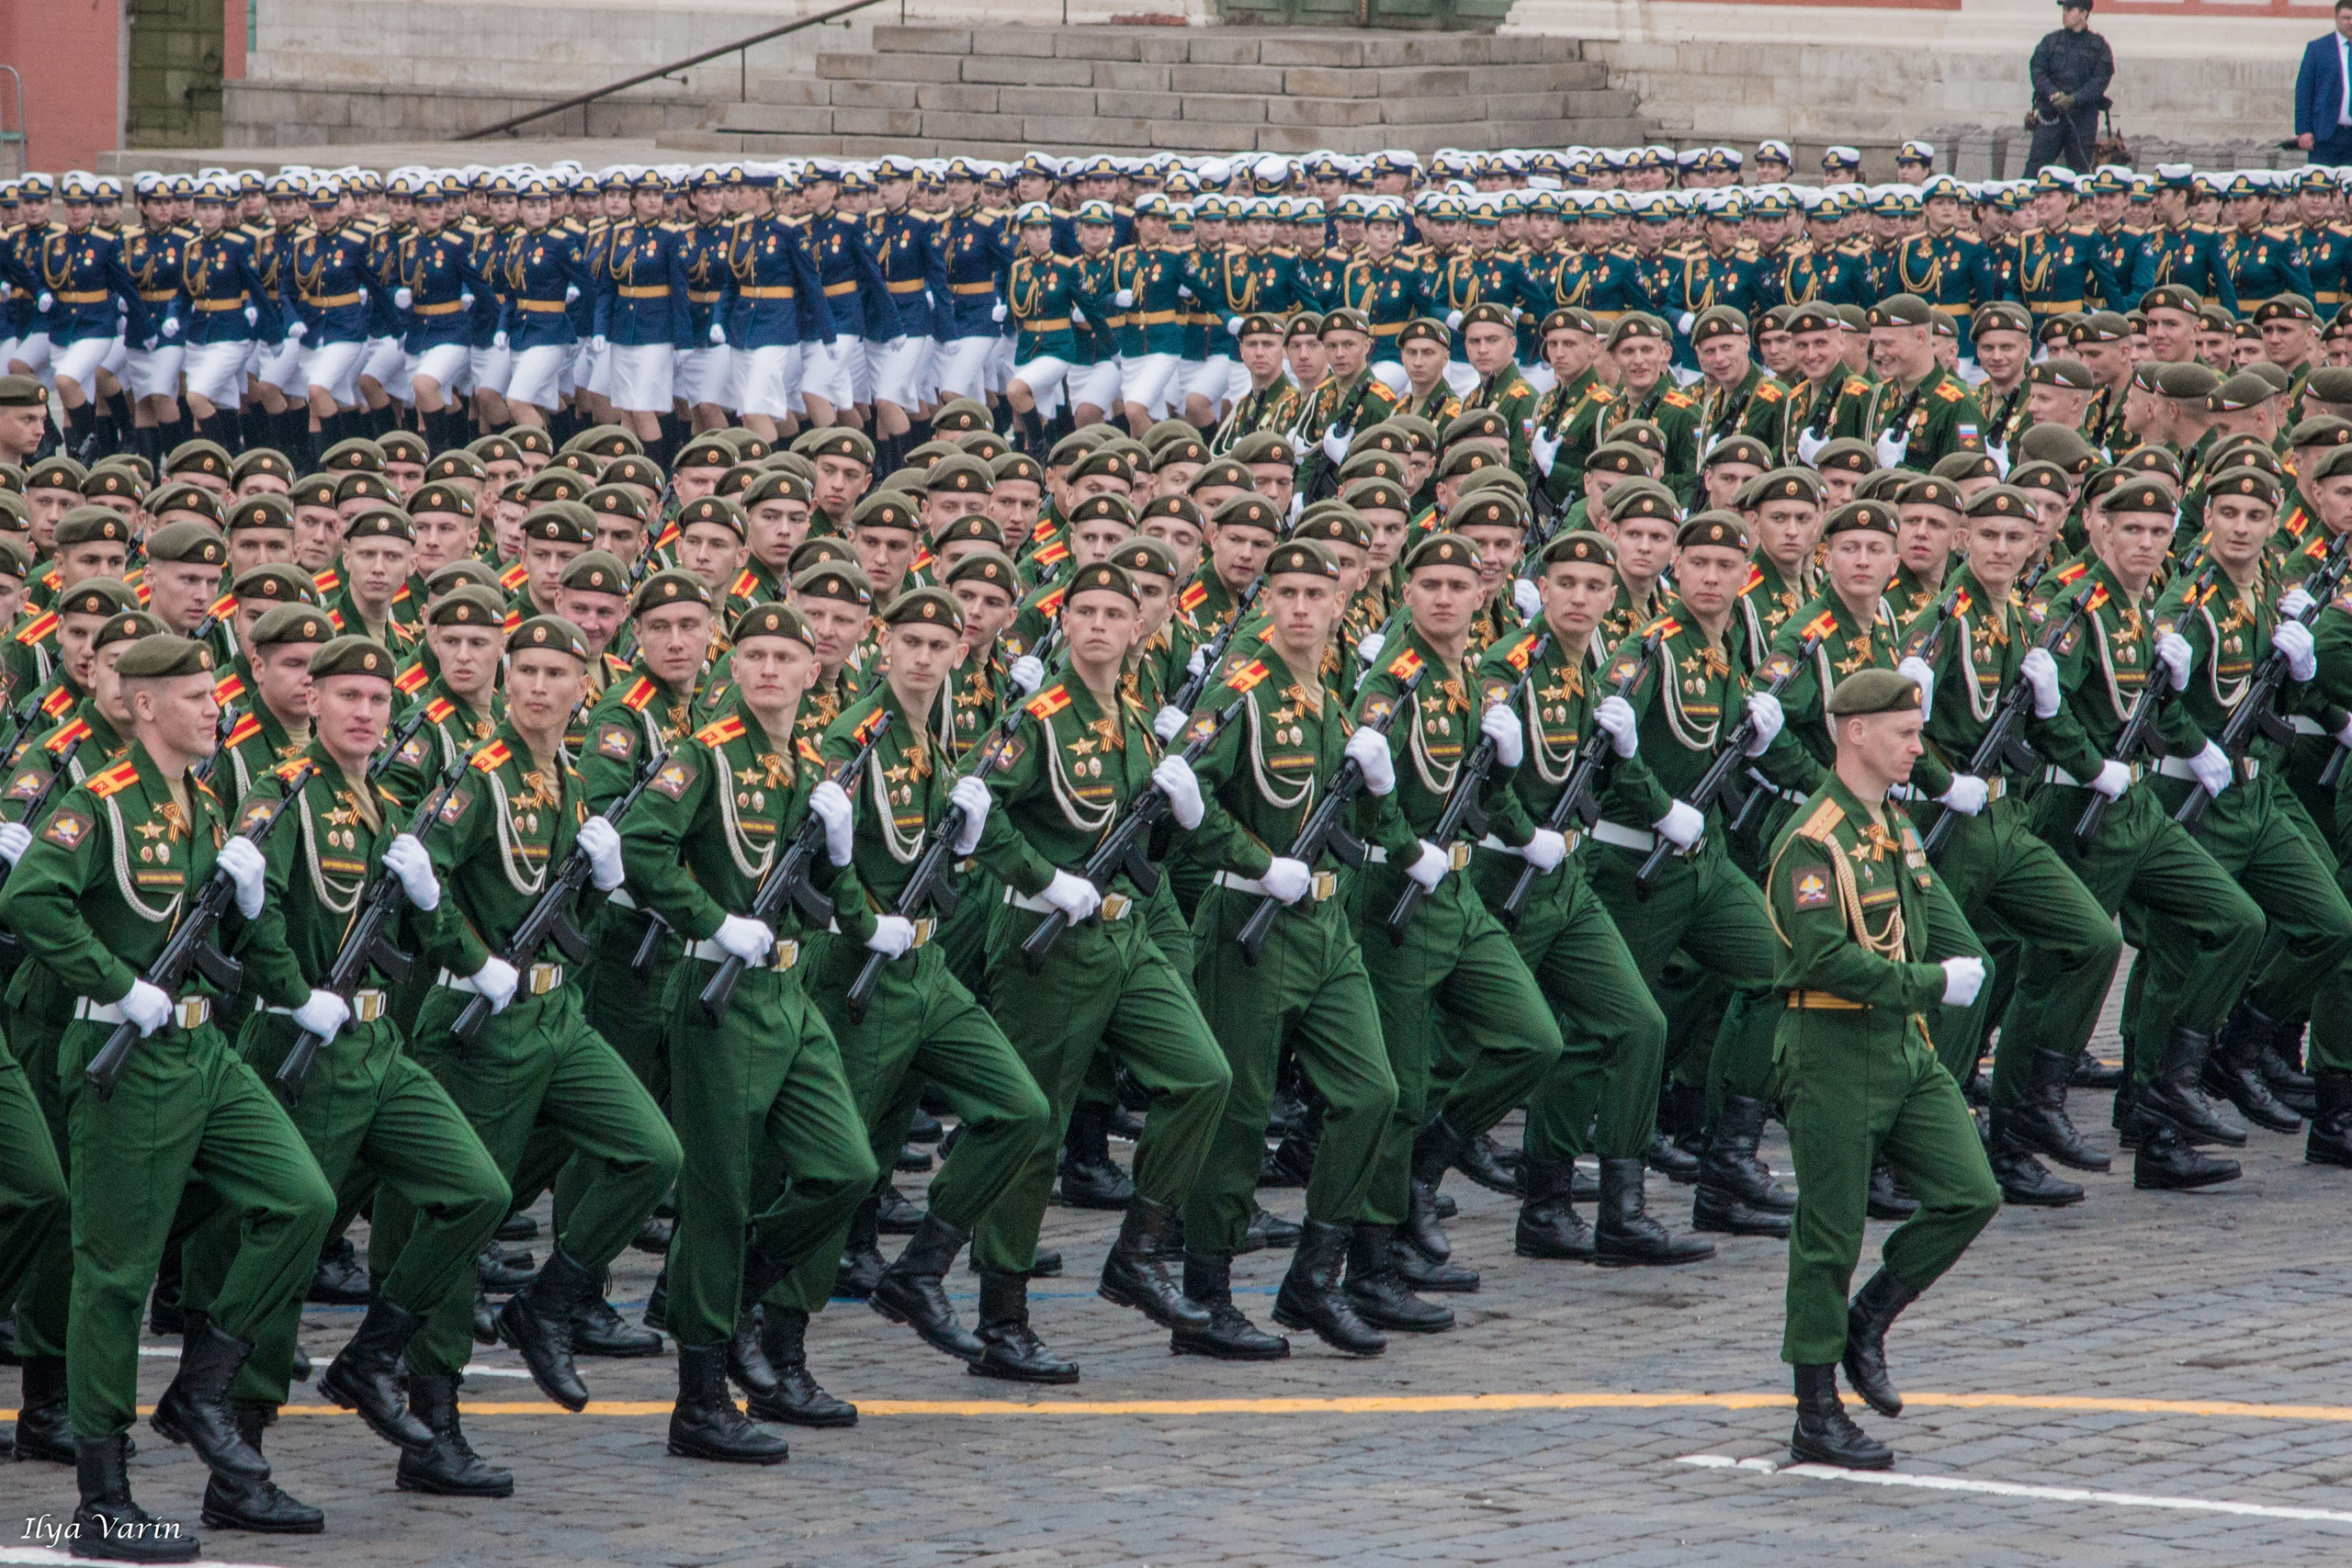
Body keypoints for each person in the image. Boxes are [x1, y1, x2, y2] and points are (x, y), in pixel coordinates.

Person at [0, 632, 335, 1562]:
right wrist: (114, 981)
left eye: (213, 694)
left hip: (204, 1051)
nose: (213, 708)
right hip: (127, 1052)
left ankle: (202, 1384)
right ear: (144, 706)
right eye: (193, 696)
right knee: (113, 1273)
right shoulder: (99, 803)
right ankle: (103, 1496)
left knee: (300, 1200)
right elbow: (30, 900)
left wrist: (259, 914)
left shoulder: (206, 797)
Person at [1768, 666, 2002, 1471]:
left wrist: (1960, 962)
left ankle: (1870, 1316)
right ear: (1855, 732)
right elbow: (1824, 958)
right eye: (1905, 734)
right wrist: (1935, 983)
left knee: (1971, 1190)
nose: (1917, 748)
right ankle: (1815, 1410)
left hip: (1904, 1048)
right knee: (1828, 1234)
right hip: (1833, 1048)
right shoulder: (1813, 838)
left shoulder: (1893, 825)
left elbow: (1928, 915)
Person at [2027, 3, 2113, 176]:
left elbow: (2100, 79)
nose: (2064, 14)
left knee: (2080, 170)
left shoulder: (2099, 46)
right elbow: (2037, 69)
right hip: (2051, 115)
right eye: (2064, 10)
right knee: (2035, 169)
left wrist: (2075, 99)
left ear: (2083, 13)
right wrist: (2053, 94)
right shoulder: (2051, 41)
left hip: (2082, 118)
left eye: (2069, 10)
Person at [2296, 2, 2352, 168]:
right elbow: (2304, 91)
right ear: (2336, 18)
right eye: (2346, 18)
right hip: (2326, 134)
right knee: (2322, 186)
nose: (2350, 22)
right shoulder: (2318, 49)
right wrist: (2304, 130)